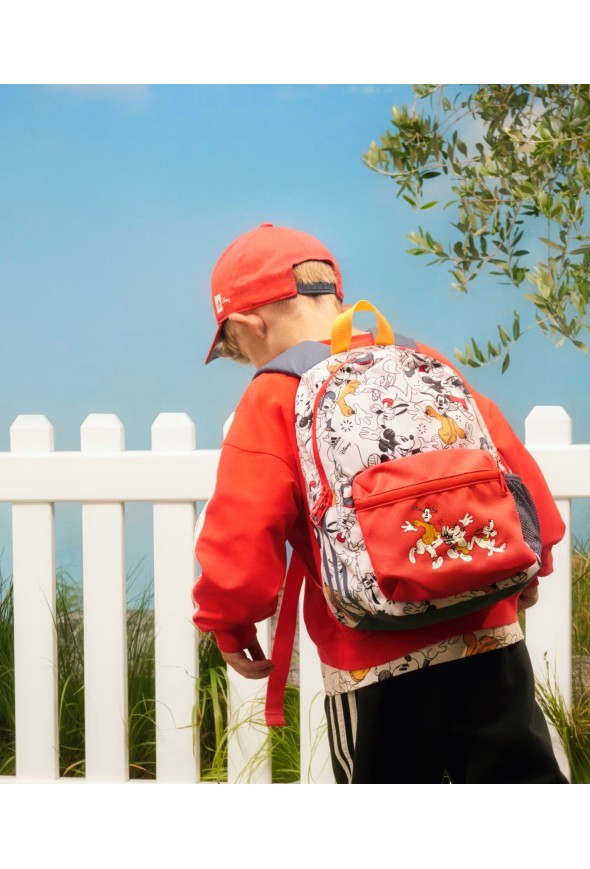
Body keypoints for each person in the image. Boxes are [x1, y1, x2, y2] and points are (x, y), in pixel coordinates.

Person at [192, 222, 568, 784]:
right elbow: (510, 468)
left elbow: (242, 528)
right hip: (488, 638)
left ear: (250, 323)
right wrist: (532, 568)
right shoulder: (424, 360)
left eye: (238, 350)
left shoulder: (275, 393)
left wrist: (230, 622)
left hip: (371, 655)